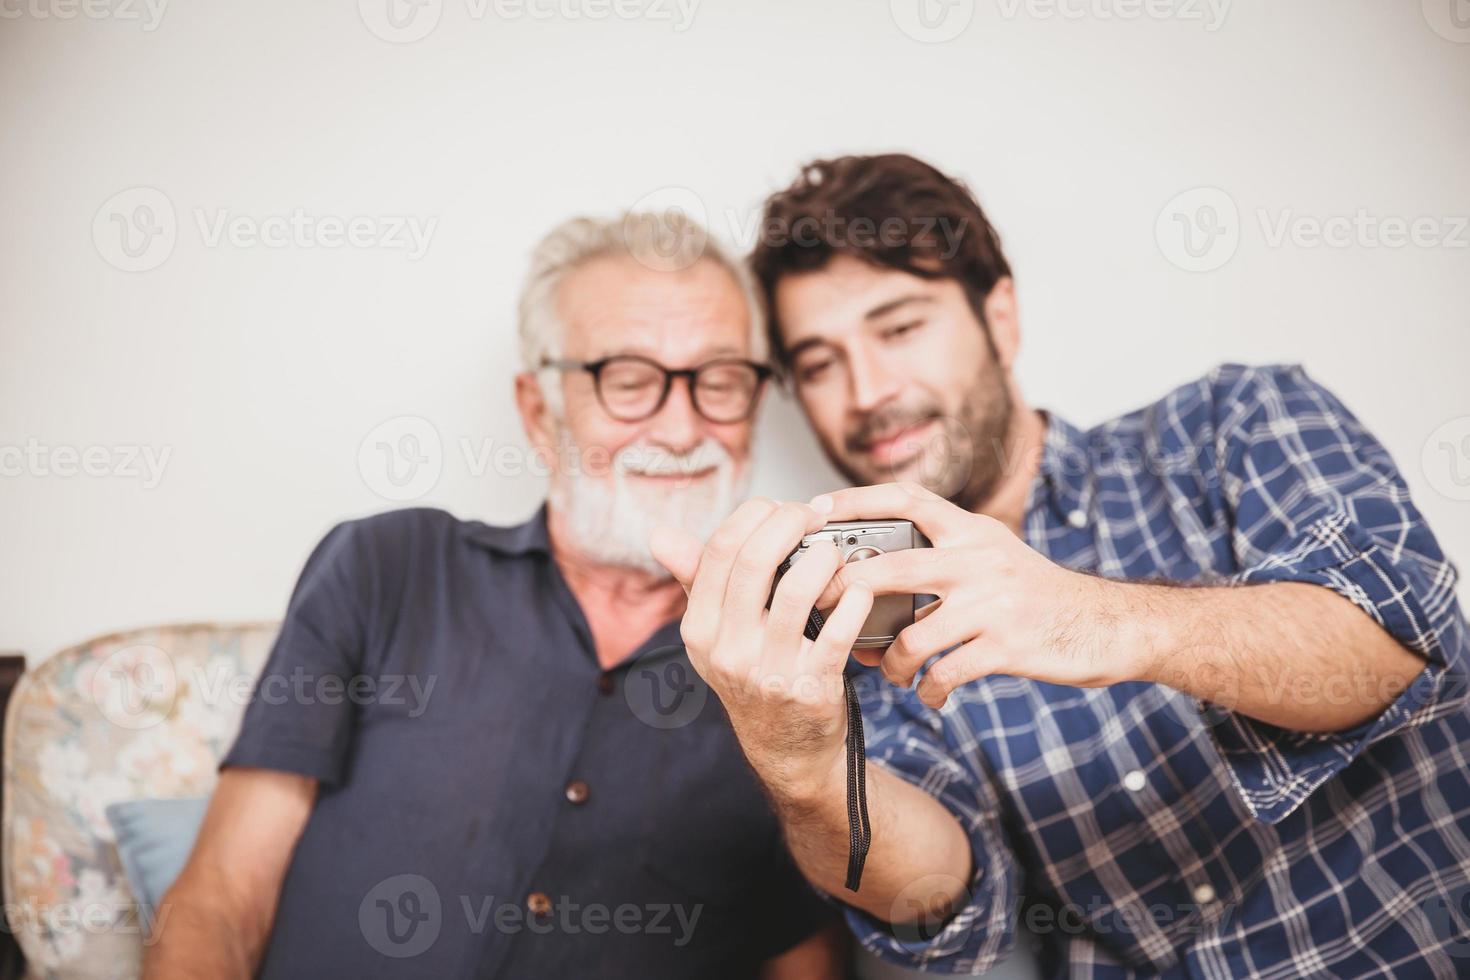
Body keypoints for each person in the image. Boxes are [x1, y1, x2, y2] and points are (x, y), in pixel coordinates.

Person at [650, 154, 1470, 977]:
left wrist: (1088, 615)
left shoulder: (1231, 425)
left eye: (899, 328)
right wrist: (806, 769)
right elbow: (940, 903)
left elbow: (1399, 635)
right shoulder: (864, 617)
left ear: (999, 316)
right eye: (821, 364)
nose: (866, 390)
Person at [146, 212, 844, 979]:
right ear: (539, 413)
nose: (682, 428)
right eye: (629, 380)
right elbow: (220, 896)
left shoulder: (797, 652)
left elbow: (800, 953)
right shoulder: (389, 567)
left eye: (720, 380)